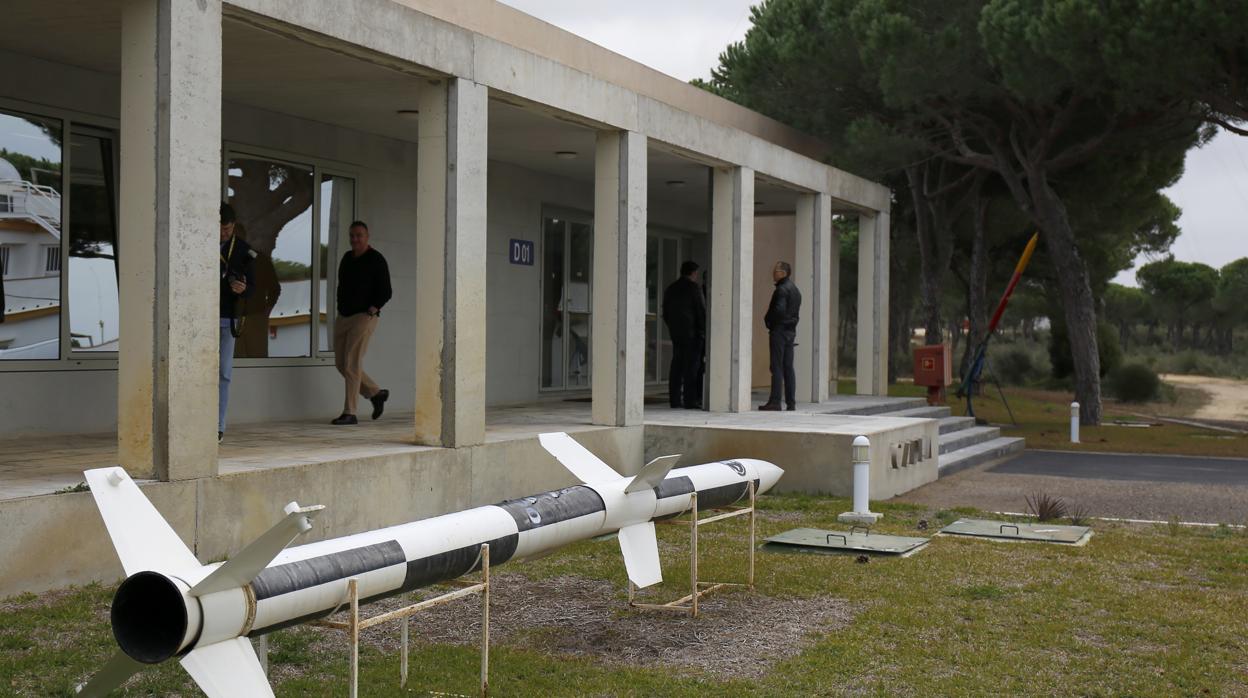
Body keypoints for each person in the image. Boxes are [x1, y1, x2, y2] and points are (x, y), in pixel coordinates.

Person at [331, 220, 392, 425]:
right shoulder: (347, 258)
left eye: (359, 235)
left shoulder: (376, 259)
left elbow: (386, 291)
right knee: (341, 364)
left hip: (363, 316)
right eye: (352, 236)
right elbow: (342, 286)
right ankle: (375, 393)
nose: (355, 239)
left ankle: (350, 412)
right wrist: (341, 308)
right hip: (344, 316)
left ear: (367, 237)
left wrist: (372, 310)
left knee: (352, 362)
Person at [219, 202, 255, 442]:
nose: (224, 234)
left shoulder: (243, 250)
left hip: (227, 317)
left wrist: (242, 289)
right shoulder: (197, 243)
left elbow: (252, 289)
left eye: (228, 229)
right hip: (199, 317)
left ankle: (218, 426)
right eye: (220, 229)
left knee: (224, 373)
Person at [662, 260, 706, 409]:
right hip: (693, 334)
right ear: (693, 273)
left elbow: (665, 313)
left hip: (676, 334)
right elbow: (700, 311)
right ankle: (690, 400)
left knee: (676, 367)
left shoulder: (671, 288)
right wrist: (703, 331)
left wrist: (673, 328)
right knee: (692, 368)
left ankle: (674, 400)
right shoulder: (694, 288)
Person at [760, 261, 801, 412]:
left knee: (776, 366)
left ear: (783, 273)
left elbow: (779, 310)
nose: (773, 272)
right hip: (790, 332)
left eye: (776, 270)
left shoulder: (782, 290)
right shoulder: (795, 290)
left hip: (780, 331)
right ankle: (791, 403)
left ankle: (775, 401)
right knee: (788, 367)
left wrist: (768, 319)